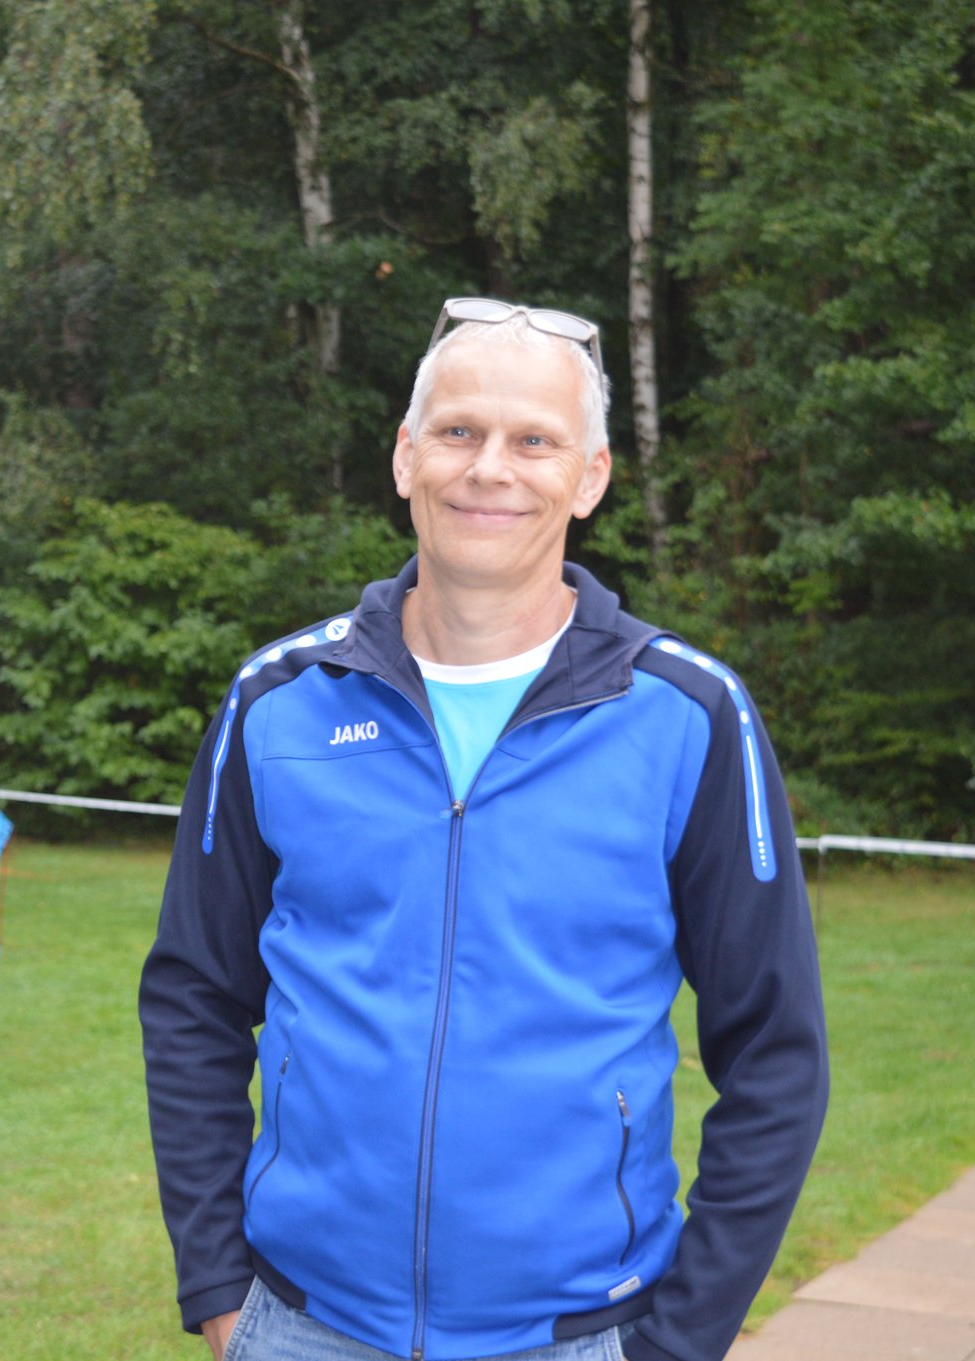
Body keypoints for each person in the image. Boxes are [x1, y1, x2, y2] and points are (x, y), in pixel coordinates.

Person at [139, 299, 828, 1361]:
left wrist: (679, 1340)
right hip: (300, 1323)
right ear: (405, 456)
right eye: (458, 431)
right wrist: (219, 1282)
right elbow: (193, 995)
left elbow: (775, 1052)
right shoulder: (279, 701)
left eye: (534, 440)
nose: (489, 468)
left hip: (580, 1333)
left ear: (589, 476)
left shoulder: (688, 716)